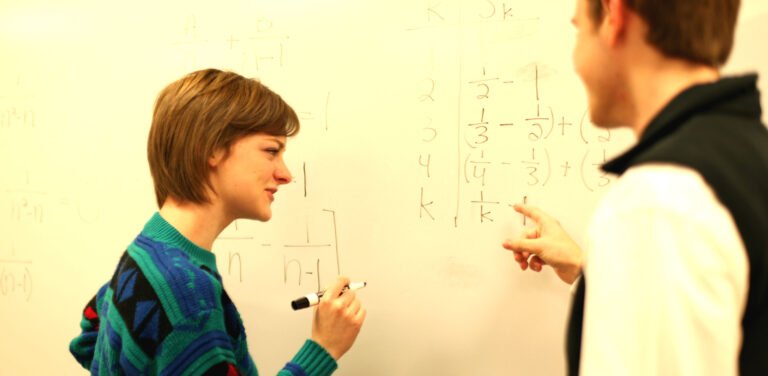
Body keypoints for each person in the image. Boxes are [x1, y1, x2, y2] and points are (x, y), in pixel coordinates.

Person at [502, 0, 768, 375]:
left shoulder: (658, 203)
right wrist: (589, 269)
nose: (575, 60)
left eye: (578, 31)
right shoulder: (746, 154)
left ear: (615, 17)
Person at [69, 69, 367, 375]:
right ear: (210, 148)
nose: (286, 174)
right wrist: (323, 348)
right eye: (271, 151)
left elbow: (90, 333)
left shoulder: (149, 250)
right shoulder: (186, 292)